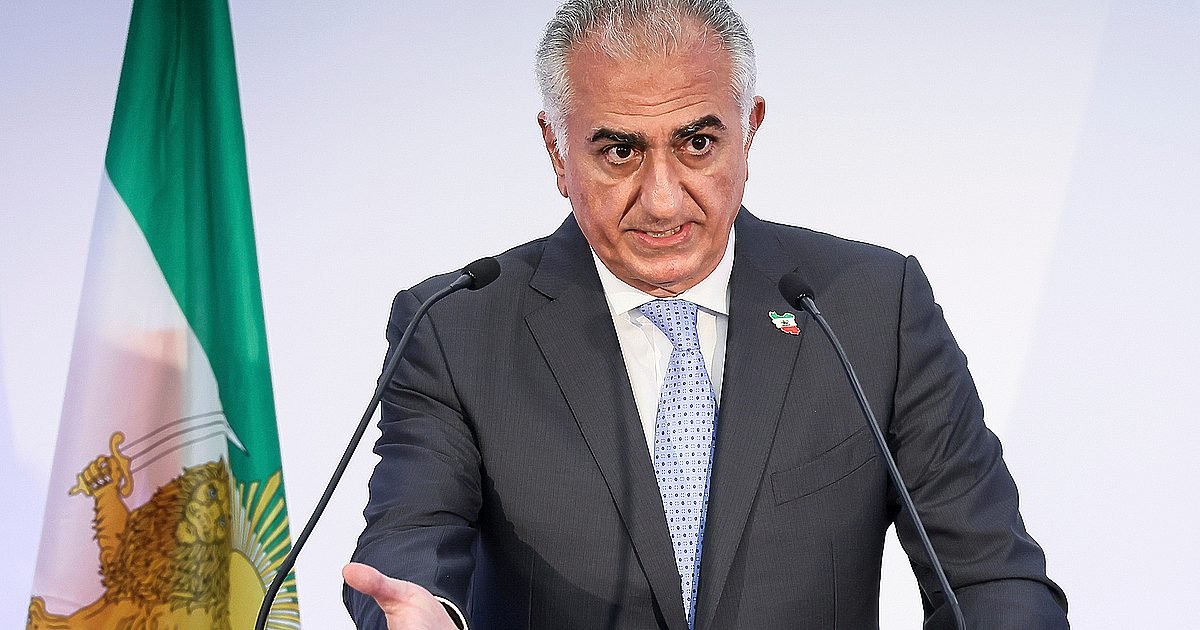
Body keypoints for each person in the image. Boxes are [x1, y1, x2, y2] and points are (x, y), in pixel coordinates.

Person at [343, 1, 1069, 628]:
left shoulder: (872, 307)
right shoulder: (456, 329)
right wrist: (420, 616)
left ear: (748, 131)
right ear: (557, 150)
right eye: (619, 151)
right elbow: (408, 546)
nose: (663, 200)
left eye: (697, 144)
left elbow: (990, 578)